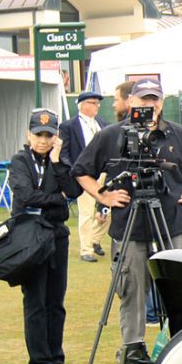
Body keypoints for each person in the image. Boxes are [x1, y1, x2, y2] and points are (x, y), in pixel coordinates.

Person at [73, 78, 182, 364]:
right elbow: (81, 170)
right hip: (129, 225)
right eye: (142, 100)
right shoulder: (111, 135)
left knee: (180, 287)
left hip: (171, 223)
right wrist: (103, 195)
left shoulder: (178, 135)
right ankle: (132, 352)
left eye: (154, 100)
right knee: (131, 288)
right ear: (130, 102)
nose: (148, 106)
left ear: (162, 102)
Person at [8, 108, 82, 364]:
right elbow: (25, 195)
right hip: (30, 238)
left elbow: (74, 191)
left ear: (55, 137)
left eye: (48, 135)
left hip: (56, 236)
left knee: (55, 300)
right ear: (29, 135)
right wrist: (55, 200)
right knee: (35, 300)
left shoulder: (58, 162)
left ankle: (56, 357)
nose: (43, 140)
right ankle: (40, 361)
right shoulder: (20, 161)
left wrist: (57, 162)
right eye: (38, 135)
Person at [59, 90, 109, 262]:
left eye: (98, 103)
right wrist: (74, 170)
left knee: (110, 209)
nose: (97, 106)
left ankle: (95, 239)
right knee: (86, 212)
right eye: (94, 103)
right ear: (83, 105)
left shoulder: (102, 123)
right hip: (85, 174)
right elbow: (64, 152)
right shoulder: (69, 126)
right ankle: (86, 249)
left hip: (103, 173)